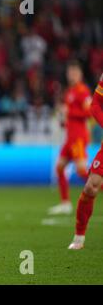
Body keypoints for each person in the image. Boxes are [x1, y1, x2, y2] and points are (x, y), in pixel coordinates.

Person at [49, 61, 92, 215]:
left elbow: (89, 113)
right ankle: (65, 203)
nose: (72, 75)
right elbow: (69, 117)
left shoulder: (83, 91)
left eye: (75, 72)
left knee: (82, 172)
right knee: (59, 168)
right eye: (70, 72)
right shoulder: (69, 92)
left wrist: (69, 113)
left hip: (79, 138)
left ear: (80, 74)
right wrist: (63, 121)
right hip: (70, 138)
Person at [68, 73, 103, 250]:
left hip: (78, 137)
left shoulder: (79, 91)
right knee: (91, 186)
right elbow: (95, 105)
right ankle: (79, 237)